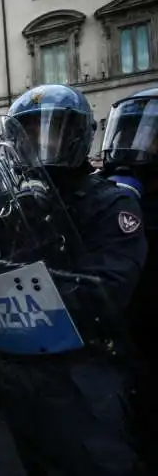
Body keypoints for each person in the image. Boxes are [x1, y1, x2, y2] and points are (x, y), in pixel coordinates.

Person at [0, 85, 148, 475]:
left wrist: (40, 294)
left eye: (49, 133)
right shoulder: (17, 201)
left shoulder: (109, 202)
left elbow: (109, 286)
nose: (39, 145)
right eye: (29, 135)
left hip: (86, 364)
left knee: (94, 460)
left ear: (75, 136)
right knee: (38, 454)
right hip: (27, 361)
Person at [100, 87, 158, 471]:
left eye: (149, 136)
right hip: (129, 319)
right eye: (126, 132)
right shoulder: (108, 193)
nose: (134, 147)